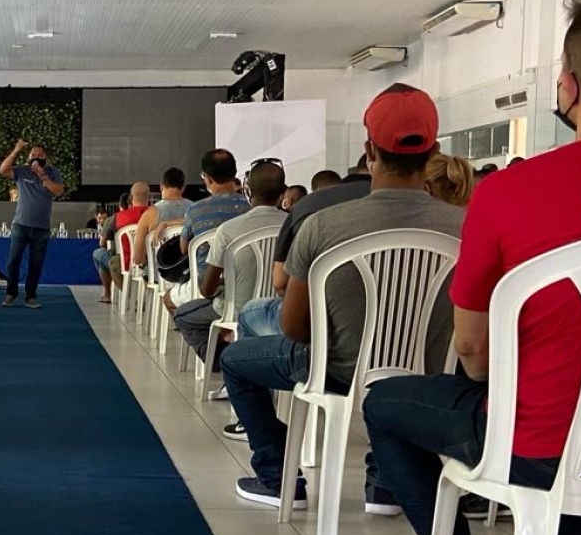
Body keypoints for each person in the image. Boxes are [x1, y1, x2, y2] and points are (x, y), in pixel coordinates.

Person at [367, 0, 581, 535]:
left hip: (532, 438)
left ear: (567, 87)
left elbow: (472, 348)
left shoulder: (511, 194)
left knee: (385, 406)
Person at [222, 84, 463, 513]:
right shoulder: (466, 228)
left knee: (236, 361)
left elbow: (294, 328)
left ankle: (278, 477)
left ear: (369, 151)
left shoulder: (323, 225)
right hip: (428, 374)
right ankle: (387, 483)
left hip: (335, 370)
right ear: (434, 151)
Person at [219, 156, 373, 440]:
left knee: (241, 340)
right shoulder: (453, 217)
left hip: (334, 361)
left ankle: (273, 470)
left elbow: (282, 292)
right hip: (426, 374)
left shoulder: (314, 213)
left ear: (370, 150)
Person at [167, 161, 287, 377]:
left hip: (238, 308)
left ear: (248, 190)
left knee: (184, 315)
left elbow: (207, 289)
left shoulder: (229, 230)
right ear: (283, 192)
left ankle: (226, 365)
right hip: (282, 309)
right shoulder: (294, 224)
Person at [0, 139, 64, 309]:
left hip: (41, 228)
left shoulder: (52, 172)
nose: (36, 157)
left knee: (36, 263)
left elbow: (57, 190)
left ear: (45, 158)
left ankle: (30, 296)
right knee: (13, 261)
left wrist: (42, 174)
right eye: (33, 154)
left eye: (40, 155)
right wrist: (15, 150)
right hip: (21, 225)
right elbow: (3, 170)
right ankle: (11, 293)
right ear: (28, 157)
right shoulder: (22, 172)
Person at [179, 149, 250, 271]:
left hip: (205, 283)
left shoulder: (194, 210)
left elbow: (184, 249)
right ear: (234, 173)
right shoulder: (250, 207)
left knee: (169, 291)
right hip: (243, 279)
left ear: (209, 178)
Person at [132, 167, 192, 267]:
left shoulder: (149, 214)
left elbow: (138, 258)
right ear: (183, 187)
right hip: (190, 276)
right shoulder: (196, 210)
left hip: (157, 277)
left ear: (161, 187)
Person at [92, 194, 130, 303]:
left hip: (118, 259)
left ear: (120, 206)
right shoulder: (144, 216)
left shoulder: (113, 219)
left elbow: (102, 243)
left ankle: (107, 293)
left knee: (98, 254)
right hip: (139, 260)